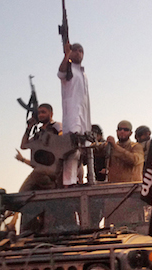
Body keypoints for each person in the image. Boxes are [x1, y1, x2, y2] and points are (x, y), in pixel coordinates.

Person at [58, 42, 91, 186]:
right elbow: (61, 73)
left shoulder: (82, 72)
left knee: (83, 151)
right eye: (75, 50)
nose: (78, 53)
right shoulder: (68, 68)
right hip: (72, 116)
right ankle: (68, 183)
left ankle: (78, 180)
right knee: (72, 151)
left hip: (84, 117)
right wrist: (66, 56)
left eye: (81, 50)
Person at [16, 104, 63, 191]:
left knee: (37, 174)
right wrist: (29, 128)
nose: (41, 115)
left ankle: (53, 187)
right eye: (39, 113)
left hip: (55, 168)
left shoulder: (56, 126)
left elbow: (61, 137)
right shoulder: (38, 134)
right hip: (41, 170)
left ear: (51, 114)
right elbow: (23, 146)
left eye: (43, 112)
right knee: (22, 192)